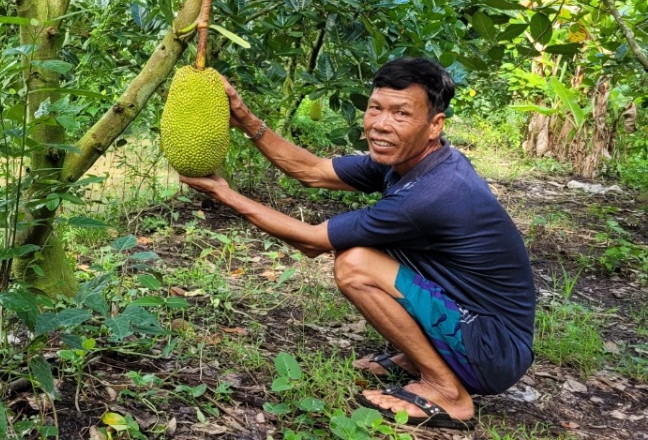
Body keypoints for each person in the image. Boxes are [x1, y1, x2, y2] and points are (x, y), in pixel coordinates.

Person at [179, 57, 535, 431]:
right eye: (375, 108)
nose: (381, 124)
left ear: (435, 126)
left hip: (493, 351)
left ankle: (446, 391)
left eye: (401, 114)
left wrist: (224, 193)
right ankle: (420, 359)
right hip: (481, 329)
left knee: (356, 263)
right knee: (371, 253)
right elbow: (313, 172)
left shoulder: (433, 193)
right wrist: (246, 120)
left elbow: (313, 242)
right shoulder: (407, 160)